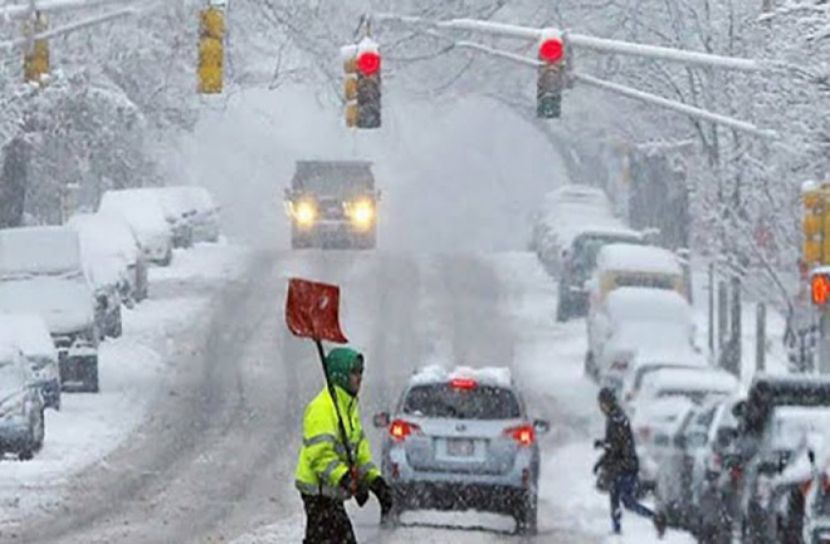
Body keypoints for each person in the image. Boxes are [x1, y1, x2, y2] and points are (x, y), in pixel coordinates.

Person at [294, 347, 394, 543]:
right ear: (340, 375)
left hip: (332, 495)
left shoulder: (348, 408)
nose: (359, 378)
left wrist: (375, 481)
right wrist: (345, 477)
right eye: (354, 372)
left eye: (361, 372)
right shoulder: (322, 408)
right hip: (319, 493)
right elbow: (320, 456)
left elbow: (360, 453)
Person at [594, 387, 666, 537]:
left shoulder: (617, 420)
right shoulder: (616, 418)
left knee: (626, 501)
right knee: (618, 499)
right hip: (623, 465)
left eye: (602, 403)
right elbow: (615, 445)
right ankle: (617, 528)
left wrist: (603, 447)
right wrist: (602, 458)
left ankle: (654, 517)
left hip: (625, 466)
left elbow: (616, 445)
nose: (601, 407)